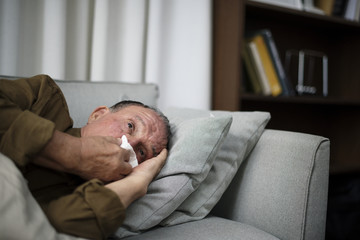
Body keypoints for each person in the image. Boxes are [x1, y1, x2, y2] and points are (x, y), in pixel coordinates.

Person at [0, 74, 171, 239]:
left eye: (141, 152)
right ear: (97, 115)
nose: (130, 144)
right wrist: (76, 152)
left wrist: (137, 182)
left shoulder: (87, 195)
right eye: (130, 126)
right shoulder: (44, 99)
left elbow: (51, 228)